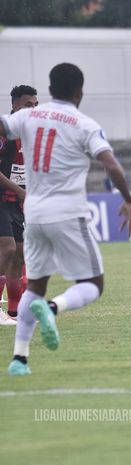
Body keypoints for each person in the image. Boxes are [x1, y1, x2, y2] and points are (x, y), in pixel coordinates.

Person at [0, 63, 131, 376]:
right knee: (93, 283)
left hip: (32, 213)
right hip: (67, 213)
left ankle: (19, 360)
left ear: (49, 90)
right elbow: (111, 164)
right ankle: (52, 308)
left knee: (34, 284)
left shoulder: (28, 115)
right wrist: (127, 199)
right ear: (80, 92)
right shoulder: (84, 123)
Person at [0, 85, 38, 326]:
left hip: (18, 203)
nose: (32, 110)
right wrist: (20, 191)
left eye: (35, 105)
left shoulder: (35, 134)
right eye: (27, 105)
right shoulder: (4, 132)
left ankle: (14, 313)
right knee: (7, 248)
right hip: (2, 199)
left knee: (20, 255)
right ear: (14, 106)